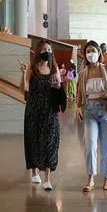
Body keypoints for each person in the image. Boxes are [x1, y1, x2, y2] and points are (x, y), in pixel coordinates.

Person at [21, 39, 65, 190]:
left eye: (50, 49)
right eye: (45, 49)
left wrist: (58, 86)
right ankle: (34, 171)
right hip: (34, 109)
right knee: (33, 140)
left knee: (50, 141)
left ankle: (47, 178)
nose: (47, 52)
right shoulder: (32, 68)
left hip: (50, 110)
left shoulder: (54, 68)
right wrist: (23, 74)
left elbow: (60, 86)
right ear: (39, 51)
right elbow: (24, 89)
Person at [76, 41, 107, 192]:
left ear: (99, 52)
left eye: (93, 50)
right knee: (90, 144)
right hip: (90, 110)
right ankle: (91, 178)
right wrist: (78, 107)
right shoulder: (83, 73)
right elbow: (80, 92)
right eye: (87, 51)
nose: (90, 54)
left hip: (106, 110)